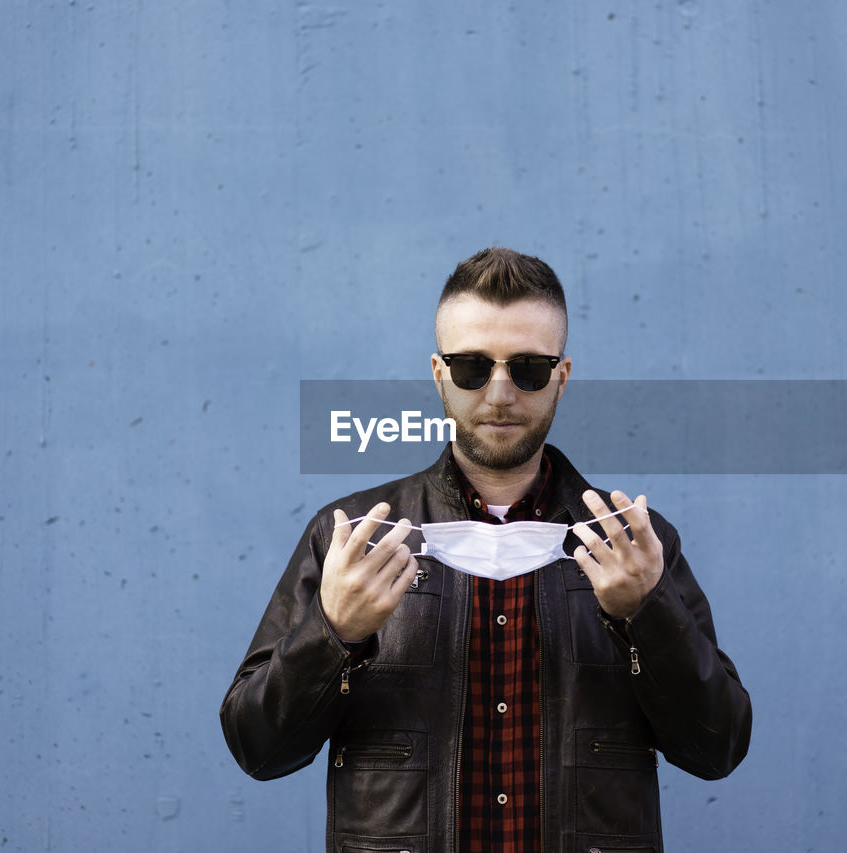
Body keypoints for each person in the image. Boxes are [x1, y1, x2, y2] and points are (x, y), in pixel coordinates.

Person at [220, 247, 752, 853]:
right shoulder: (355, 537)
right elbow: (257, 749)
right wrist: (333, 632)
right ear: (439, 373)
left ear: (563, 376)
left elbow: (718, 749)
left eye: (528, 368)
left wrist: (645, 615)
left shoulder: (631, 542)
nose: (500, 393)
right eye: (473, 366)